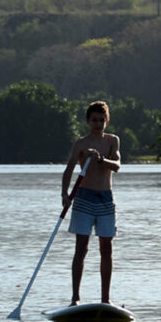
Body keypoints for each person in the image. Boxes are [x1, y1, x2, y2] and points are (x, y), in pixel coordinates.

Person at [62, 100, 123, 306]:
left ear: (107, 121)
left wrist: (100, 160)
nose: (98, 124)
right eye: (94, 120)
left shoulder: (112, 141)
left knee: (106, 249)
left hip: (105, 199)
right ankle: (75, 299)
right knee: (81, 248)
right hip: (84, 198)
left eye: (101, 120)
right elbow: (69, 170)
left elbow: (117, 165)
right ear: (88, 121)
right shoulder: (80, 144)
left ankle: (105, 299)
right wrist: (65, 194)